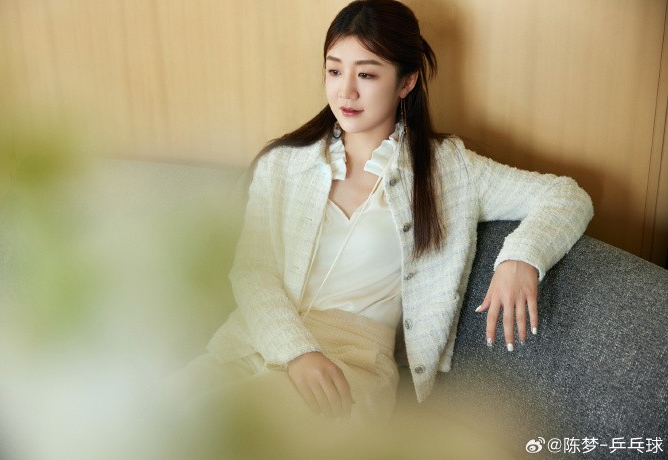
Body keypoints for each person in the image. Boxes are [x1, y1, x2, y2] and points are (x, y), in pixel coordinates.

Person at [168, 0, 593, 423]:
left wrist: (520, 259)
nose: (346, 91)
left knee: (219, 426)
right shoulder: (283, 164)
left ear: (406, 82)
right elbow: (252, 272)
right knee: (160, 418)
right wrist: (297, 352)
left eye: (367, 74)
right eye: (334, 71)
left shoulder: (449, 170)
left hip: (350, 366)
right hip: (250, 343)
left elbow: (566, 196)